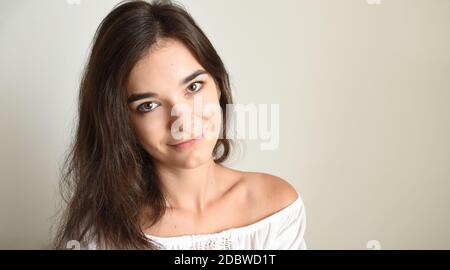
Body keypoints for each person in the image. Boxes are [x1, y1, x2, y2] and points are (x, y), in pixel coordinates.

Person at [54, 0, 307, 250]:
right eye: (149, 105)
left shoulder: (276, 209)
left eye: (193, 87)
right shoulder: (98, 237)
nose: (182, 122)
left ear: (217, 84)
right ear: (120, 121)